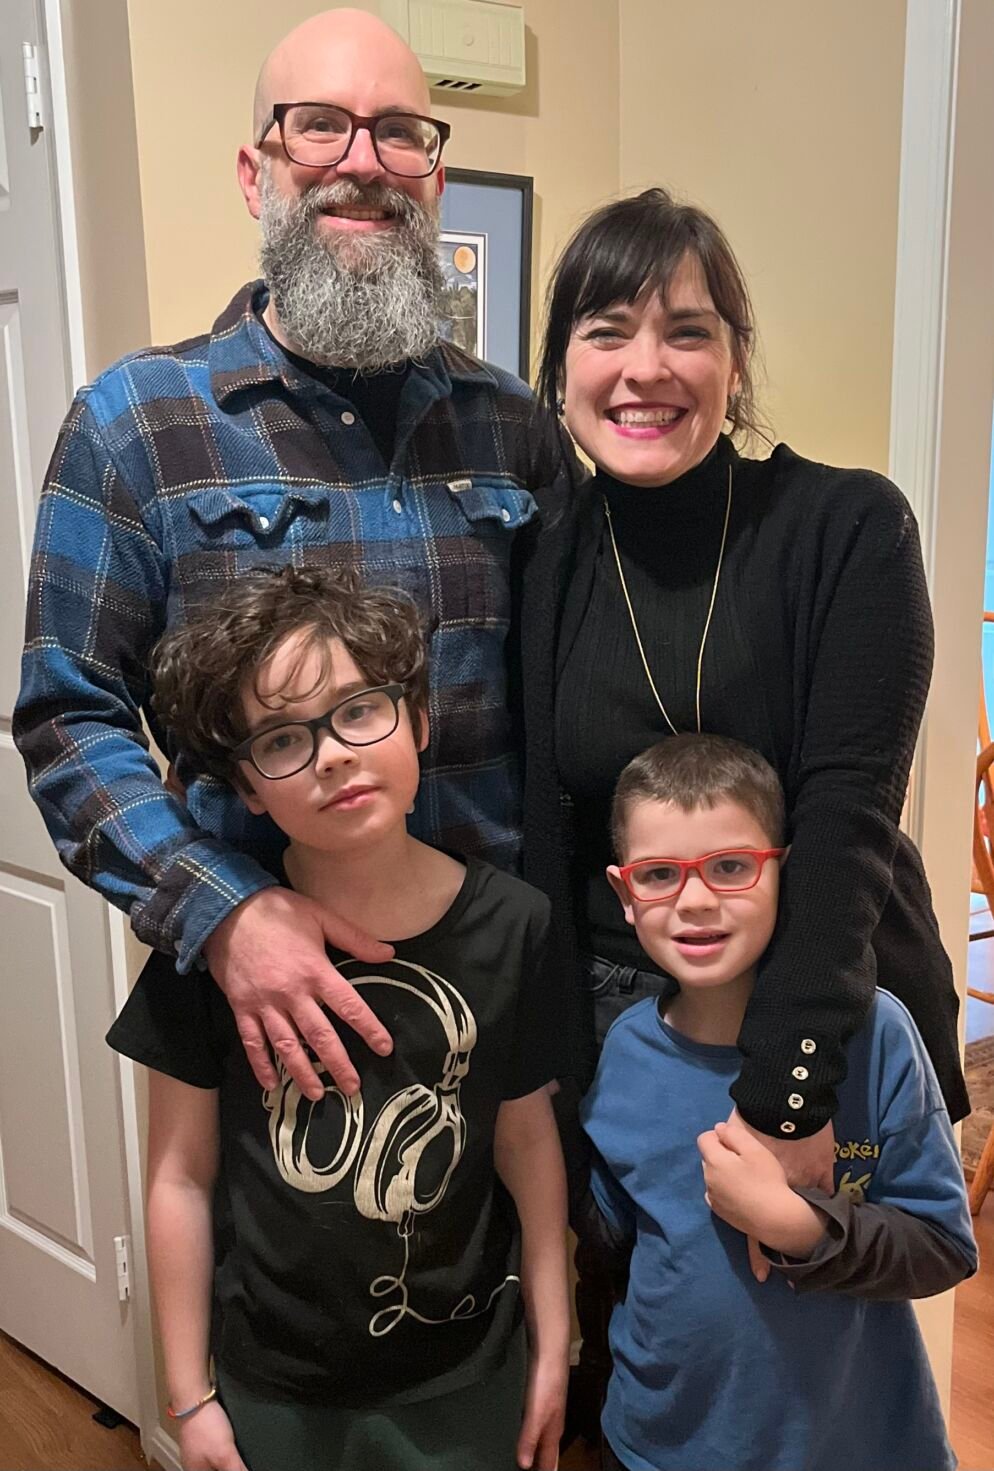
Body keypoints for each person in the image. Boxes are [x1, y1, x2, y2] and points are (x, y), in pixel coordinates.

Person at [14, 7, 561, 1106]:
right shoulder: (135, 423)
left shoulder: (513, 427)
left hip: (503, 1013)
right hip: (273, 1024)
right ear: (254, 173)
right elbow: (67, 717)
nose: (362, 165)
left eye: (398, 133)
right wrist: (224, 911)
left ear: (435, 181)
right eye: (318, 127)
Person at [517, 185, 969, 1443]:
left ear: (736, 358)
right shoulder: (547, 551)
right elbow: (548, 837)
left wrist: (790, 1096)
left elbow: (846, 819)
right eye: (606, 330)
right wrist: (555, 1085)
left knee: (815, 1368)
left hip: (826, 1003)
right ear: (559, 369)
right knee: (655, 1366)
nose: (645, 367)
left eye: (688, 330)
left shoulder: (844, 526)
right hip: (622, 1037)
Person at [107, 565, 569, 1471]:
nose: (331, 753)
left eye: (361, 710)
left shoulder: (517, 923)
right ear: (245, 786)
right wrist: (187, 1396)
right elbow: (181, 1178)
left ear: (421, 720)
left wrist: (556, 1340)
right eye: (283, 737)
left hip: (467, 1379)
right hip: (273, 1393)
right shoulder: (204, 954)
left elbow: (527, 1142)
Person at [580, 732, 976, 1471]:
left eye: (730, 867)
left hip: (856, 1448)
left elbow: (943, 1247)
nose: (695, 900)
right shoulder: (624, 1052)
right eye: (659, 873)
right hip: (659, 1445)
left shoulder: (876, 1035)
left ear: (784, 873)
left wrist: (797, 1225)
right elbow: (619, 1239)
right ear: (624, 894)